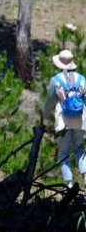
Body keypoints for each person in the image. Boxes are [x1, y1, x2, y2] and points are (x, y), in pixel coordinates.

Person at [46, 49, 86, 188]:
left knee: (63, 153)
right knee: (80, 150)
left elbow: (49, 103)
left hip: (63, 122)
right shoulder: (82, 79)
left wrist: (44, 117)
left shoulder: (55, 80)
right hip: (80, 120)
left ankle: (69, 186)